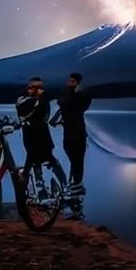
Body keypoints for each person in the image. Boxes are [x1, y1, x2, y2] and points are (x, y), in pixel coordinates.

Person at [16, 77, 67, 198]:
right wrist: (39, 99)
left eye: (40, 87)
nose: (38, 89)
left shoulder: (43, 100)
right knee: (33, 160)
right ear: (29, 87)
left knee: (50, 157)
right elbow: (25, 111)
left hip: (43, 134)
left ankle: (64, 186)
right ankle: (36, 189)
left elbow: (45, 115)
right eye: (35, 87)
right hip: (30, 135)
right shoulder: (23, 100)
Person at [54, 72, 92, 200]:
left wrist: (70, 90)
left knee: (77, 160)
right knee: (74, 159)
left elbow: (72, 102)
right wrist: (70, 90)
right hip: (70, 133)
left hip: (78, 134)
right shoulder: (70, 97)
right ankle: (75, 186)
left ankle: (76, 188)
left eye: (72, 82)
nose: (69, 84)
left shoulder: (82, 96)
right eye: (69, 81)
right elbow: (63, 102)